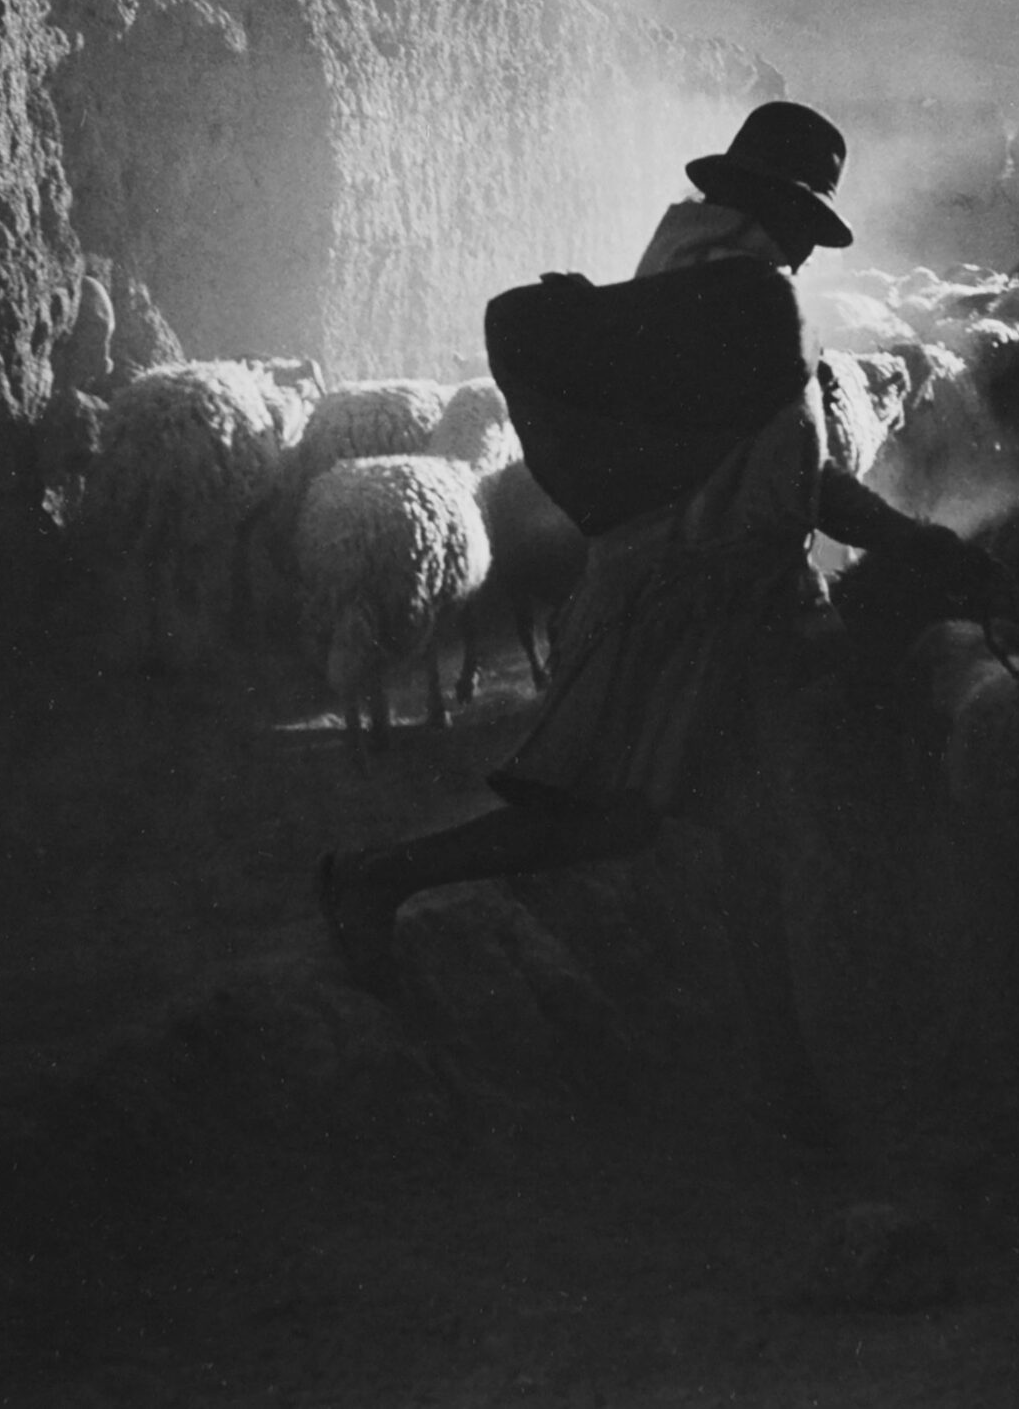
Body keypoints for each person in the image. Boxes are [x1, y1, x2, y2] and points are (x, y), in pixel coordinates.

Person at [314, 100, 980, 992]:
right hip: (690, 613)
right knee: (621, 811)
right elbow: (787, 473)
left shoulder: (686, 291)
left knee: (706, 817)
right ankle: (377, 877)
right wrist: (908, 541)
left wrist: (906, 537)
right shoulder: (747, 304)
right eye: (805, 221)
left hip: (704, 598)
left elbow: (774, 465)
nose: (811, 247)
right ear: (773, 209)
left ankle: (772, 1031)